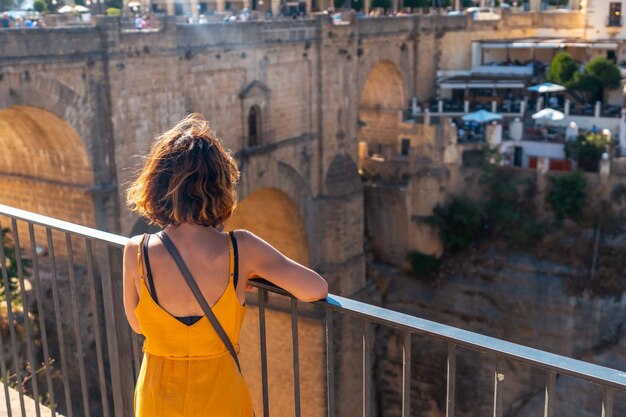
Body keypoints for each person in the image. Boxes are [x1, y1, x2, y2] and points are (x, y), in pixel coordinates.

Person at [123, 114, 328, 417]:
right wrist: (248, 272)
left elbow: (139, 324)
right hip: (221, 398)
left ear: (158, 186)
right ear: (221, 186)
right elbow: (315, 289)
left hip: (158, 397)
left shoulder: (135, 251)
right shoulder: (241, 248)